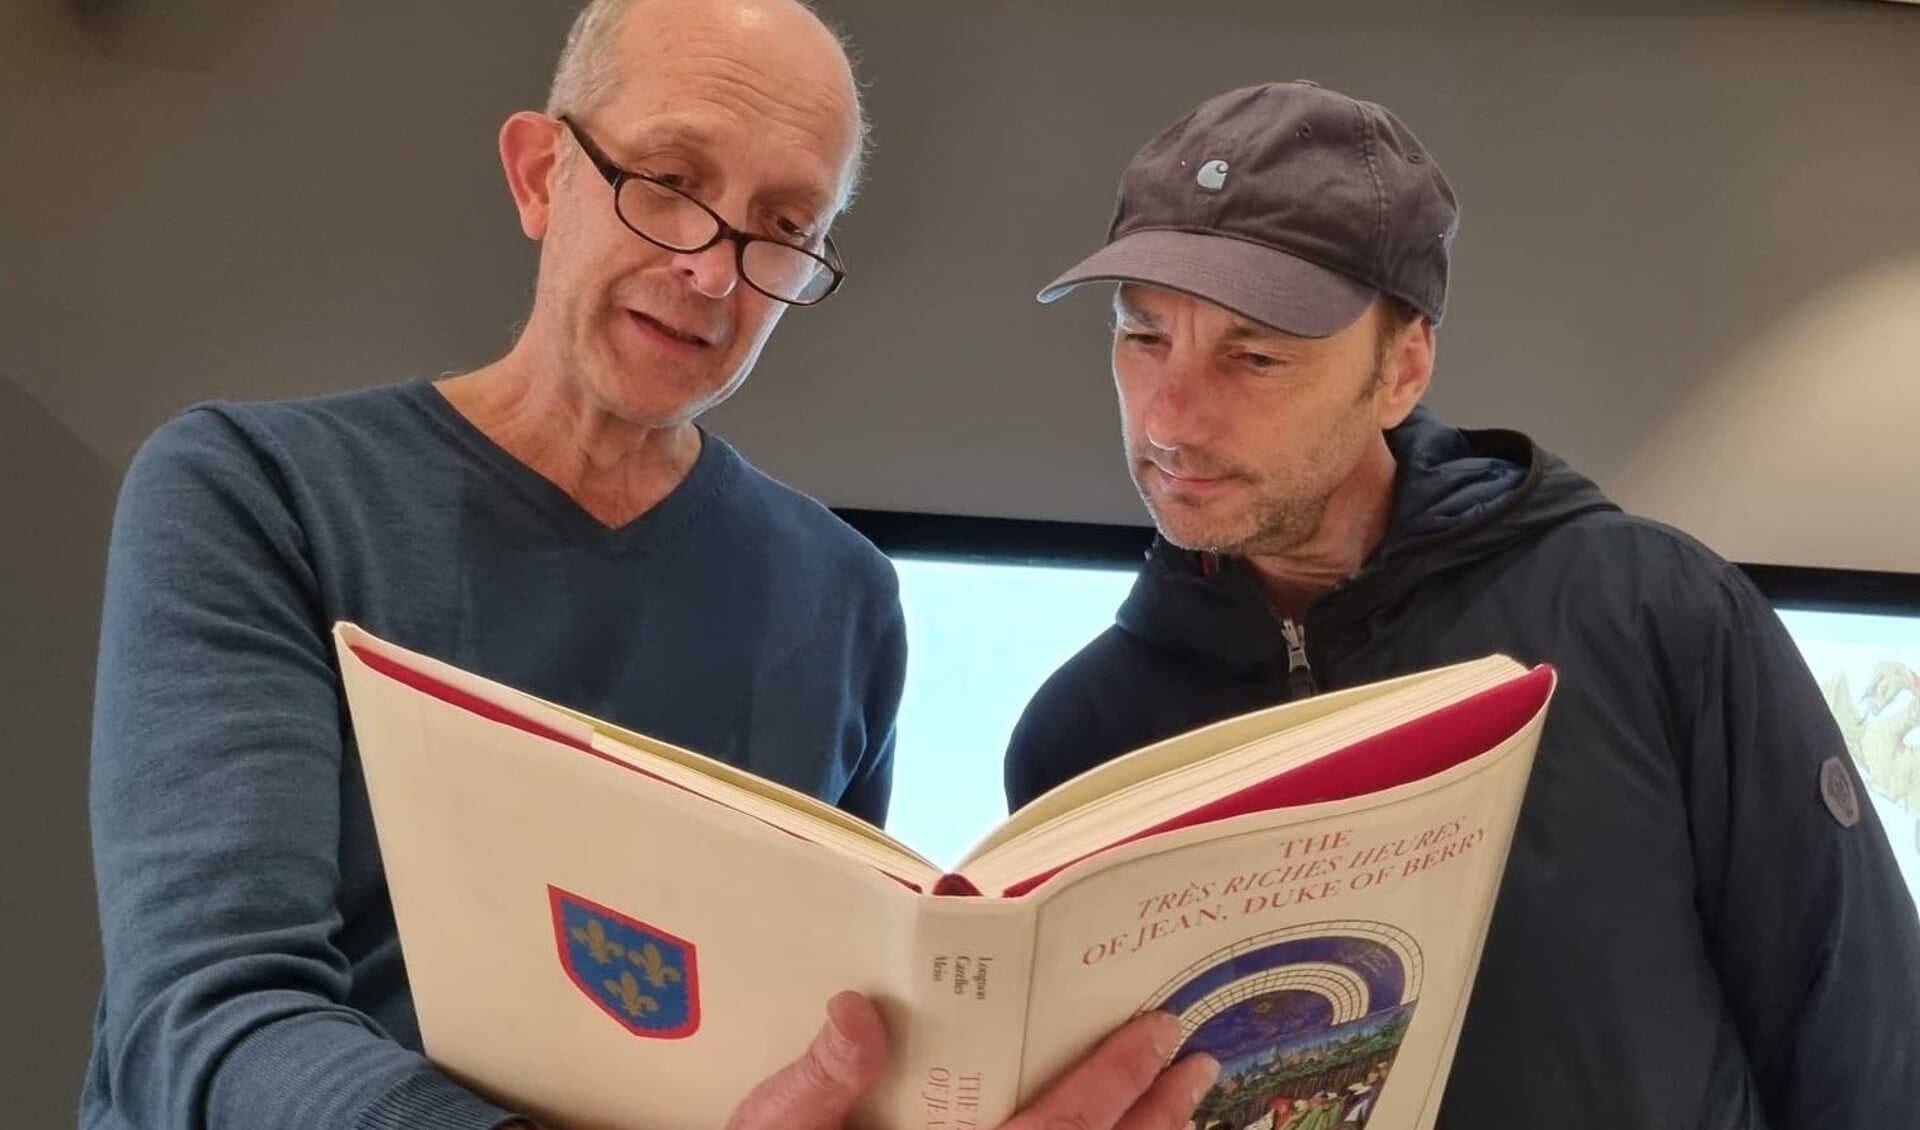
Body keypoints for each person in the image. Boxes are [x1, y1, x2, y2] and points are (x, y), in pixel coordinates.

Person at [80, 1, 1217, 1128]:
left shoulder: (845, 594)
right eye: (671, 182)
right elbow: (207, 1013)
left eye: (783, 224)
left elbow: (826, 1036)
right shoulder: (259, 491)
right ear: (538, 175)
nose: (715, 274)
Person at [1010, 79, 1920, 1129]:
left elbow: (1865, 1045)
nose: (1169, 415)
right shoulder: (1079, 736)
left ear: (1402, 368)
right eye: (1142, 337)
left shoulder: (1656, 617)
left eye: (1254, 355)